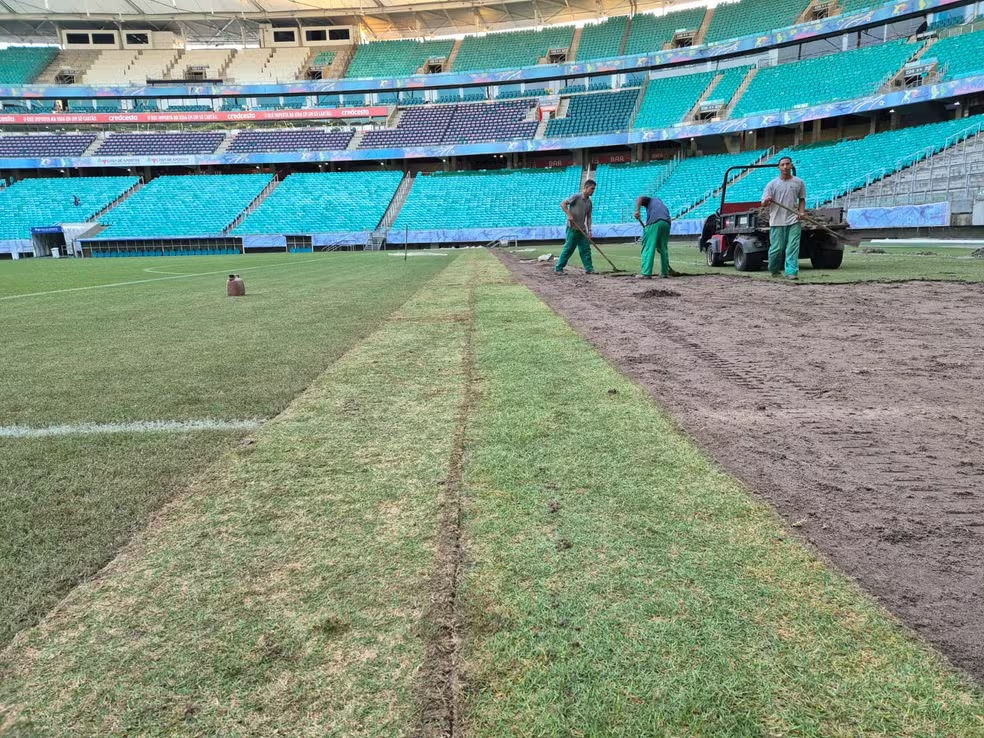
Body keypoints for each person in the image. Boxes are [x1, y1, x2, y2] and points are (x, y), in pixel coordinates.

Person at [761, 155, 806, 280]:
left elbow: (802, 199)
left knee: (793, 247)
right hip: (777, 221)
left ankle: (791, 272)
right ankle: (774, 269)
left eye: (787, 164)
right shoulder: (772, 184)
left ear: (791, 165)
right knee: (776, 249)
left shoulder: (799, 182)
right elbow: (763, 203)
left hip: (794, 219)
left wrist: (801, 212)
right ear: (779, 167)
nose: (785, 167)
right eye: (782, 165)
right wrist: (767, 200)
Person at [554, 179, 596, 275]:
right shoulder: (576, 197)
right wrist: (569, 214)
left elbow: (589, 217)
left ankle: (589, 269)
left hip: (582, 229)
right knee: (569, 249)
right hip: (572, 228)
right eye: (592, 189)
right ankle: (558, 268)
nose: (593, 191)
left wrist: (590, 230)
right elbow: (563, 204)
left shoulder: (589, 202)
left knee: (586, 249)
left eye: (594, 189)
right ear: (586, 187)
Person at [633, 192, 675, 279]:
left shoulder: (650, 200)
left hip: (654, 223)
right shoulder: (663, 206)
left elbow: (640, 198)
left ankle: (646, 273)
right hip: (666, 224)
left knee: (648, 247)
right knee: (663, 249)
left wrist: (638, 211)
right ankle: (664, 272)